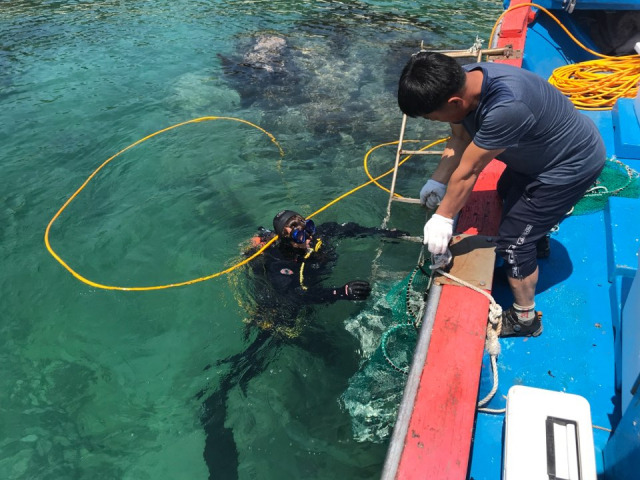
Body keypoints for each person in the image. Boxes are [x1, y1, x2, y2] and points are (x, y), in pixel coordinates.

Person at [397, 51, 606, 337]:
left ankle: (525, 319)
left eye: (433, 118)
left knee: (513, 246)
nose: (434, 122)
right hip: (538, 156)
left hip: (567, 168)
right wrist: (437, 180)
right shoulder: (462, 80)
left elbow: (470, 171)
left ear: (454, 103)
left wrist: (444, 217)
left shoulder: (507, 107)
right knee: (504, 190)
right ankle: (538, 241)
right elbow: (459, 137)